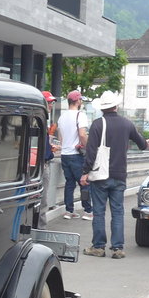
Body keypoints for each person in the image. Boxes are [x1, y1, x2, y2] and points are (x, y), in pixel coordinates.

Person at [79, 90, 147, 259]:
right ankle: (117, 249)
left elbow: (91, 151)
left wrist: (85, 172)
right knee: (117, 212)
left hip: (101, 176)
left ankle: (98, 247)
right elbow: (142, 145)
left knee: (99, 211)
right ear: (116, 106)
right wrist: (145, 143)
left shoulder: (97, 124)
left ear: (102, 108)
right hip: (119, 175)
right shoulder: (127, 124)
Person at [56, 90, 91, 220]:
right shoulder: (80, 115)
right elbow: (82, 134)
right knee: (84, 183)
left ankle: (69, 211)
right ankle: (88, 211)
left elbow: (61, 137)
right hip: (76, 155)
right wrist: (87, 147)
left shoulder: (62, 117)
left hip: (65, 154)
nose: (81, 102)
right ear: (77, 101)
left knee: (69, 183)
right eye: (81, 100)